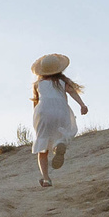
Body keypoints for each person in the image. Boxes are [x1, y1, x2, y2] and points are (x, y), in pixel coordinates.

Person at [30, 54, 89, 186]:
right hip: (60, 110)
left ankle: (46, 179)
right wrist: (82, 105)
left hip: (43, 112)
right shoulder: (62, 82)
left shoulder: (38, 84)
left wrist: (37, 118)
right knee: (62, 132)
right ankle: (58, 145)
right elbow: (72, 92)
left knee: (42, 147)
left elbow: (36, 102)